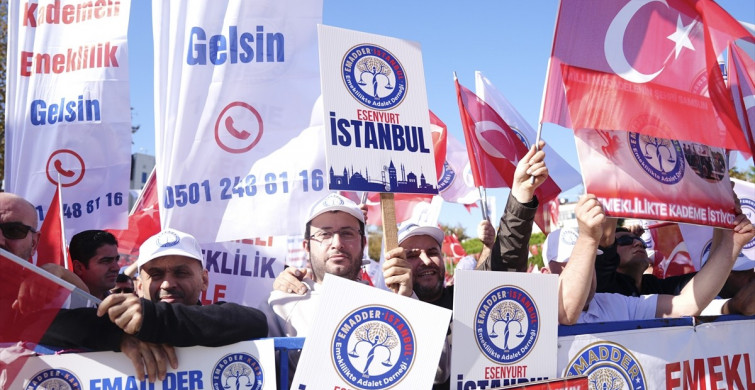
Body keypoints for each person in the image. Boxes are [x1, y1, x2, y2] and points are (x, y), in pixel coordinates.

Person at [41, 228, 268, 381]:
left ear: (204, 280)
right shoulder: (118, 327)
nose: (168, 283)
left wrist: (153, 319)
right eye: (156, 274)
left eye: (181, 272)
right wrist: (120, 336)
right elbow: (44, 326)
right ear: (138, 286)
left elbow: (253, 322)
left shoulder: (227, 319)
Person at [557, 195, 755, 325]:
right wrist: (589, 237)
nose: (637, 244)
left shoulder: (616, 304)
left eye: (640, 241)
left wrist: (731, 241)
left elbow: (687, 305)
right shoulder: (543, 309)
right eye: (625, 240)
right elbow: (567, 310)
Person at [263, 193, 413, 338]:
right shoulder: (279, 306)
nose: (337, 244)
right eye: (325, 234)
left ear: (363, 243)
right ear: (307, 246)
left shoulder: (390, 305)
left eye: (347, 233)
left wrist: (408, 303)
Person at [0, 192, 87, 291]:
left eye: (13, 230)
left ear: (34, 243)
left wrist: (61, 273)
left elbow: (86, 301)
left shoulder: (48, 298)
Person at [70, 230, 121, 299]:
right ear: (78, 267)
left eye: (116, 260)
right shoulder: (59, 306)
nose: (116, 268)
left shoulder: (121, 306)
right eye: (106, 261)